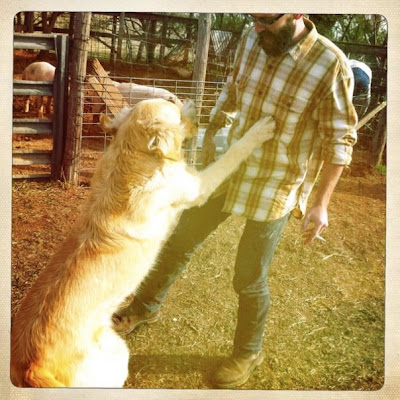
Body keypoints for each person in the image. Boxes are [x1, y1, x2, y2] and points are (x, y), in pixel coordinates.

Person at [112, 13, 358, 388]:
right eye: (252, 18)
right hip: (229, 166)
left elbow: (340, 140)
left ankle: (247, 352)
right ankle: (144, 308)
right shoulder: (251, 37)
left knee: (248, 276)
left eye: (266, 22)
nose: (257, 29)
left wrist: (320, 203)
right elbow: (232, 86)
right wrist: (214, 128)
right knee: (180, 242)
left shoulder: (330, 65)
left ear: (296, 12)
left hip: (275, 184)